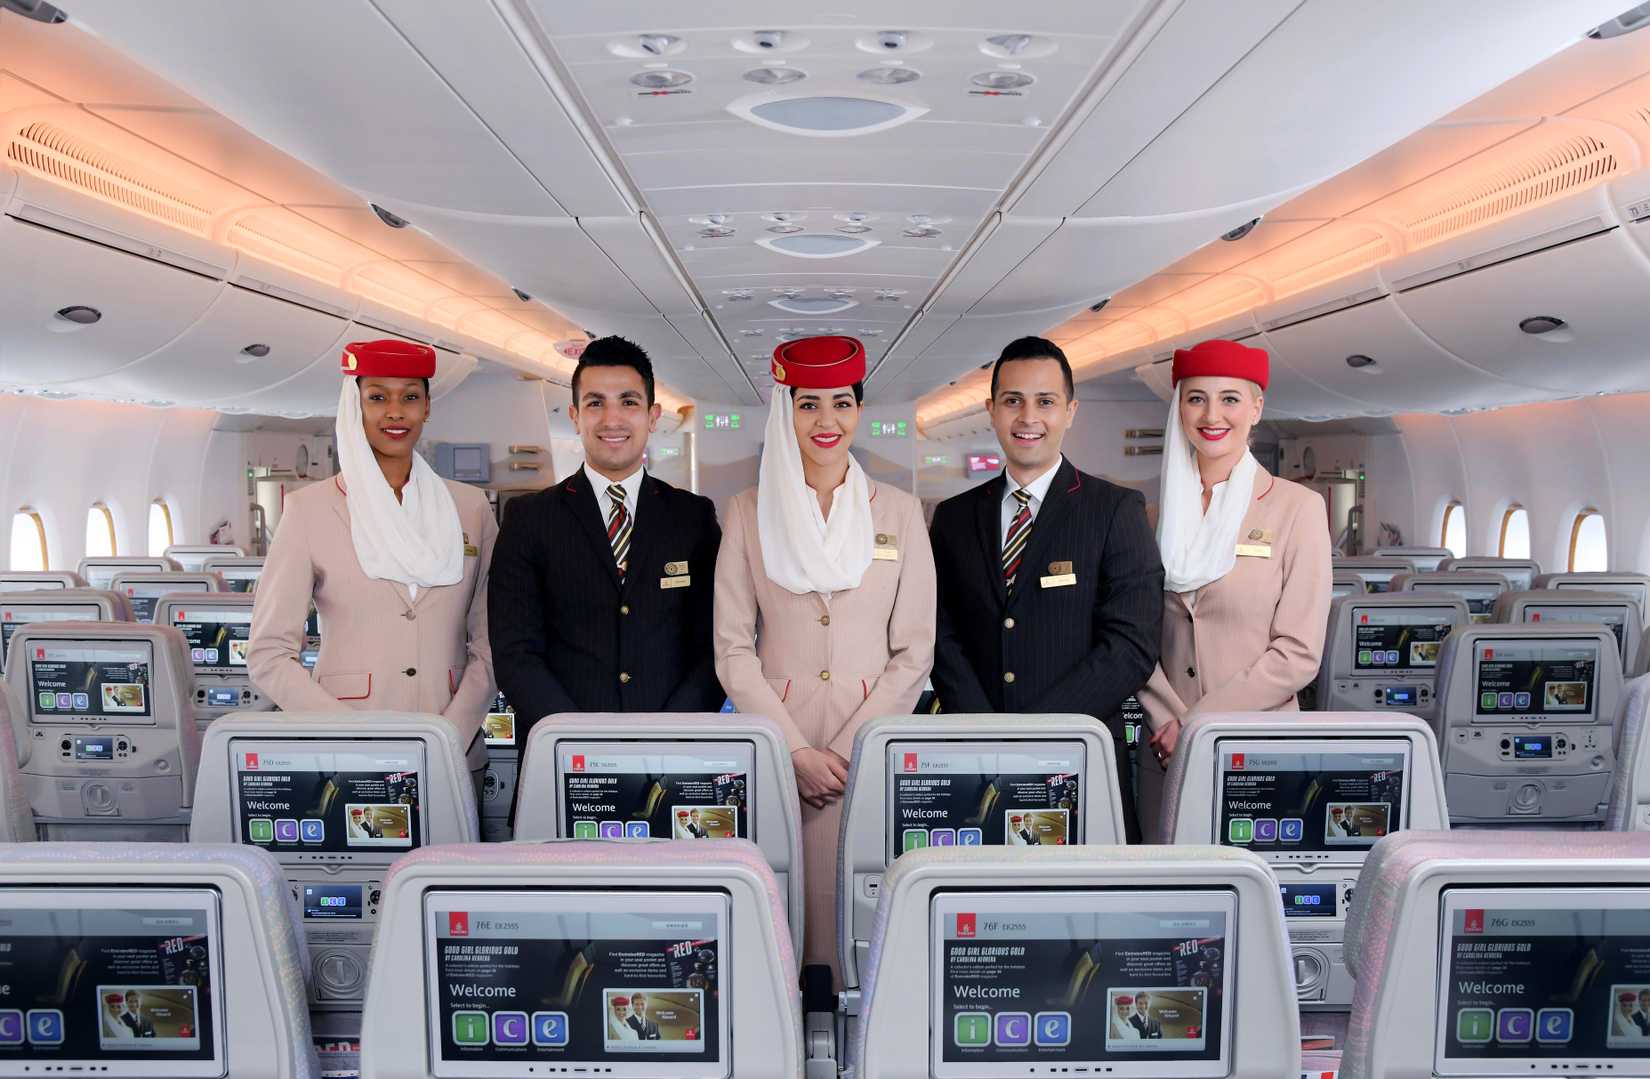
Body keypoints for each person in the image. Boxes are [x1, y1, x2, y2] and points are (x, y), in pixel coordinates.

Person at [714, 335, 935, 976]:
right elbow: (733, 648)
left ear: (859, 411)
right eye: (808, 405)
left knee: (865, 909)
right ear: (786, 414)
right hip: (780, 745)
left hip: (868, 745)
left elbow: (914, 648)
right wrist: (794, 750)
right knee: (785, 913)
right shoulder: (749, 512)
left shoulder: (897, 511)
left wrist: (844, 749)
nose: (826, 422)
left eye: (841, 403)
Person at [929, 337, 1163, 841]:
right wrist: (989, 734)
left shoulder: (1114, 510)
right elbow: (940, 633)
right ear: (991, 410)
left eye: (1045, 402)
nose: (1027, 417)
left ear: (1070, 411)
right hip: (979, 761)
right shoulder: (952, 518)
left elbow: (1131, 646)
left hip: (1079, 756)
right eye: (1013, 401)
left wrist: (1039, 732)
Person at [247, 340, 496, 741]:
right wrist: (349, 734)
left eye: (411, 397)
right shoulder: (309, 510)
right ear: (355, 405)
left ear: (427, 408)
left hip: (454, 741)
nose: (396, 412)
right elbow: (268, 654)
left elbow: (490, 641)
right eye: (377, 397)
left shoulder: (470, 507)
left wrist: (453, 732)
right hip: (348, 741)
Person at [1135, 339, 1332, 842]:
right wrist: (1167, 723)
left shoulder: (1297, 510)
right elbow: (1133, 637)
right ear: (1179, 407)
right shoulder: (1151, 518)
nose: (1211, 414)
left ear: (1257, 407)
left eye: (1229, 398)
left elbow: (1298, 653)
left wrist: (1196, 725)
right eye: (1196, 398)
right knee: (1168, 903)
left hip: (1257, 742)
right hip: (1164, 751)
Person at [489, 336, 724, 749]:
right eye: (596, 403)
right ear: (576, 416)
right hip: (562, 752)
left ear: (652, 416)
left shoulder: (693, 517)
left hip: (671, 748)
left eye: (628, 402)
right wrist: (575, 738)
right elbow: (514, 651)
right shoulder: (529, 518)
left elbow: (714, 644)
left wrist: (670, 735)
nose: (612, 419)